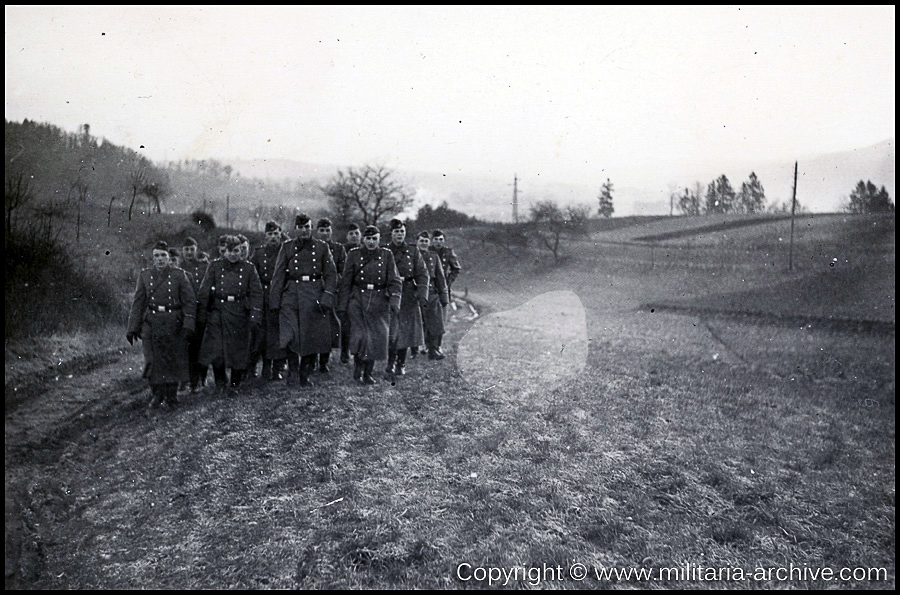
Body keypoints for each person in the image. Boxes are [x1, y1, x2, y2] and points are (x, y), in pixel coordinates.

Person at [126, 241, 197, 409]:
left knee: (173, 359)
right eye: (156, 256)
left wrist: (188, 323)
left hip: (174, 322)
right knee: (153, 360)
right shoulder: (144, 276)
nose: (160, 259)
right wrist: (132, 327)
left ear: (168, 257)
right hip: (152, 322)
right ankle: (157, 394)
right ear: (152, 258)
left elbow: (189, 301)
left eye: (163, 255)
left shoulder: (179, 275)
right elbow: (138, 303)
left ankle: (171, 396)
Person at [270, 214, 338, 388]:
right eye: (301, 227)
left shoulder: (322, 247)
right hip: (291, 295)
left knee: (311, 337)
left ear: (312, 228)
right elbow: (278, 276)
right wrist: (275, 302)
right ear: (295, 229)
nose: (305, 230)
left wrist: (327, 296)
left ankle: (304, 375)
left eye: (307, 227)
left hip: (314, 294)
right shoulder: (287, 247)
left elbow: (330, 274)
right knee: (289, 334)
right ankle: (292, 372)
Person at [197, 235, 264, 395]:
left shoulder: (248, 268)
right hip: (219, 311)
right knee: (217, 350)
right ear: (224, 251)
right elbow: (205, 290)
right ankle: (220, 382)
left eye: (236, 251)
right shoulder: (214, 266)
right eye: (229, 251)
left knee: (238, 349)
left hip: (239, 312)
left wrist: (255, 314)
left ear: (241, 251)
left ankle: (235, 383)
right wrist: (202, 313)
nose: (233, 255)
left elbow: (256, 292)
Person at [337, 225, 402, 384]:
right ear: (363, 239)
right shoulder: (354, 255)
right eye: (368, 239)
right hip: (358, 299)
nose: (371, 242)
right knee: (360, 335)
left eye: (374, 239)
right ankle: (358, 366)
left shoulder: (386, 255)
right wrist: (342, 305)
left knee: (375, 338)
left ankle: (367, 373)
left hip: (379, 301)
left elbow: (394, 280)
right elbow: (346, 281)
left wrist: (395, 300)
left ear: (379, 239)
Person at [384, 218, 428, 378]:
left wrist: (422, 294)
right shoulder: (385, 251)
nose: (399, 235)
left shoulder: (413, 251)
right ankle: (391, 362)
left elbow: (423, 273)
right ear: (391, 233)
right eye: (396, 232)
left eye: (402, 231)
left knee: (405, 331)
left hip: (408, 294)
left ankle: (400, 363)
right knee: (391, 330)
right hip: (389, 294)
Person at [249, 221, 288, 381]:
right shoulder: (258, 253)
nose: (273, 237)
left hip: (280, 296)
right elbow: (252, 276)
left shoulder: (286, 252)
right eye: (270, 234)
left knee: (278, 334)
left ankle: (277, 367)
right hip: (263, 297)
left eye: (276, 233)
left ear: (280, 234)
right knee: (263, 334)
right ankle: (264, 367)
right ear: (265, 236)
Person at [315, 218, 347, 374]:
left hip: (331, 292)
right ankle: (312, 358)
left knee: (329, 326)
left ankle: (324, 361)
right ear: (317, 232)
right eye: (322, 230)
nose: (325, 233)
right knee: (313, 326)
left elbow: (344, 271)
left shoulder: (338, 249)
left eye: (328, 230)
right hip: (313, 292)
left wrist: (333, 282)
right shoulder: (312, 247)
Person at [416, 231, 450, 360]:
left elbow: (440, 278)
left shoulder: (434, 256)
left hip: (432, 293)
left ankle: (434, 349)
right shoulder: (413, 256)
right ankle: (417, 348)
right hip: (417, 293)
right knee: (419, 323)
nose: (424, 243)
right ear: (417, 242)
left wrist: (444, 297)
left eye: (426, 241)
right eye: (421, 241)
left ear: (429, 243)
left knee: (436, 323)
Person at [181, 237, 209, 393]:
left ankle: (201, 379)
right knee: (188, 348)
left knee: (202, 346)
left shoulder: (204, 265)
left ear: (196, 249)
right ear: (182, 251)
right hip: (187, 313)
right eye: (186, 249)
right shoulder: (179, 268)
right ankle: (191, 381)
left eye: (192, 249)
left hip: (202, 311)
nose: (189, 252)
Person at [429, 229, 462, 356]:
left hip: (443, 290)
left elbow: (456, 268)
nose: (438, 242)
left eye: (441, 239)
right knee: (428, 319)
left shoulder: (448, 252)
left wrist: (447, 282)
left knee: (441, 319)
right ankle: (429, 346)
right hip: (429, 288)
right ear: (432, 241)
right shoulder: (428, 251)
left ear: (444, 241)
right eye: (436, 239)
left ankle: (437, 346)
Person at [339, 223, 363, 363]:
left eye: (356, 233)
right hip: (346, 290)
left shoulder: (365, 249)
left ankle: (358, 351)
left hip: (361, 290)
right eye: (351, 234)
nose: (354, 236)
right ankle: (344, 351)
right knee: (346, 323)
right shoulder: (343, 250)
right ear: (347, 236)